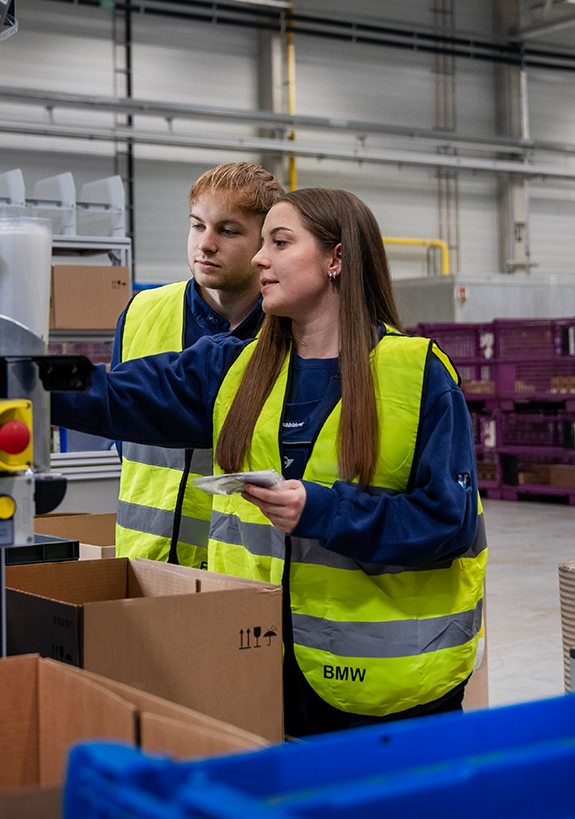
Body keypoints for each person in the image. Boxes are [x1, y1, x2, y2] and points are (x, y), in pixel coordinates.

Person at [53, 188, 485, 737]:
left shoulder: (417, 375)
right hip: (264, 670)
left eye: (280, 242)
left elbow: (447, 523)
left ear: (336, 259)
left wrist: (323, 510)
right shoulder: (233, 368)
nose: (259, 258)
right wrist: (7, 375)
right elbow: (111, 395)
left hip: (389, 691)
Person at [108, 162, 284, 569]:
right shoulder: (141, 311)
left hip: (241, 570)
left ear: (266, 243)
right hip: (143, 560)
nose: (205, 244)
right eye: (197, 225)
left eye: (228, 231)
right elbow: (122, 434)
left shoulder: (290, 329)